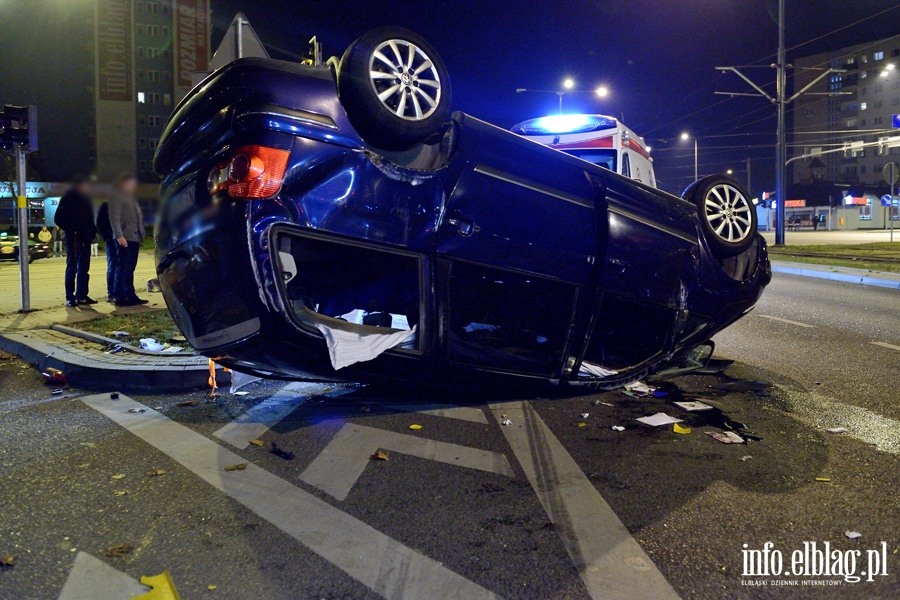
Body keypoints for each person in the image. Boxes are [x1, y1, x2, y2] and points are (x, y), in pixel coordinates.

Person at [54, 175, 98, 306]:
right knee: (72, 267)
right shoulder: (68, 199)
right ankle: (70, 297)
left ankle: (82, 296)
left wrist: (91, 233)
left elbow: (90, 219)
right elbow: (59, 218)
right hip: (73, 238)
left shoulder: (87, 200)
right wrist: (72, 230)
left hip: (85, 239)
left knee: (84, 268)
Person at [108, 174, 148, 306]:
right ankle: (119, 296)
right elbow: (114, 218)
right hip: (125, 237)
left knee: (130, 268)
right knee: (122, 267)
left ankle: (130, 295)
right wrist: (119, 236)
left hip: (134, 237)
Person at [96, 200, 118, 302]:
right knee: (112, 266)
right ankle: (111, 293)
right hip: (112, 240)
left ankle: (122, 291)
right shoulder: (106, 205)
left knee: (123, 266)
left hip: (124, 239)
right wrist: (107, 237)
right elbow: (100, 222)